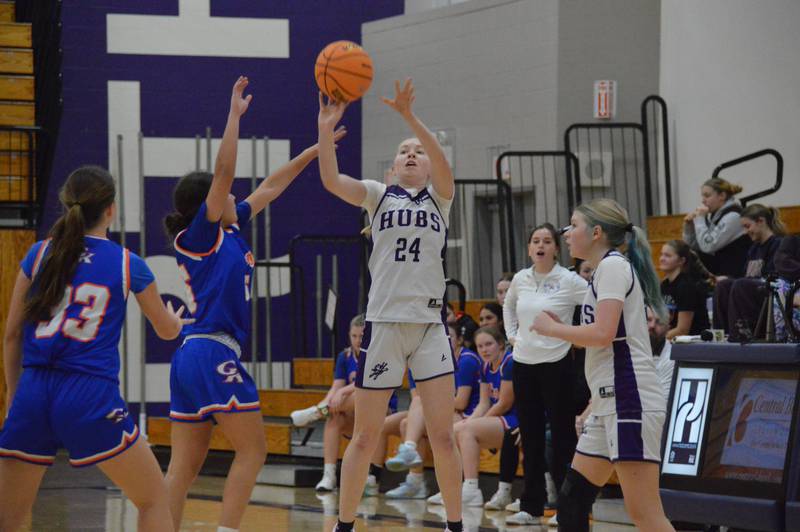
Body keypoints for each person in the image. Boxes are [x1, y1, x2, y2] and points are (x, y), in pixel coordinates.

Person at [162, 77, 345, 532]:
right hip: (211, 350)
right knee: (254, 449)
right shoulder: (200, 236)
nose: (233, 195)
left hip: (192, 354)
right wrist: (234, 115)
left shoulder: (230, 227)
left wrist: (314, 150)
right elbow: (223, 171)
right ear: (208, 202)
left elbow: (270, 186)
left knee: (184, 467)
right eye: (224, 193)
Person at [0, 166, 189, 532]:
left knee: (10, 518)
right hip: (89, 394)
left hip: (34, 390)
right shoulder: (125, 262)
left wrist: (12, 396)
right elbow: (166, 331)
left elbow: (11, 336)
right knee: (154, 500)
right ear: (110, 210)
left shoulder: (38, 255)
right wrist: (176, 321)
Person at [317, 78, 463, 532]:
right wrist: (325, 132)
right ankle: (343, 524)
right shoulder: (378, 197)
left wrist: (409, 117)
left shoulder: (440, 199)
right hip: (382, 325)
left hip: (428, 328)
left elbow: (444, 166)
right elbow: (330, 179)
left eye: (418, 150)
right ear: (393, 166)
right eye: (404, 151)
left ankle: (457, 524)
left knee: (441, 435)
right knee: (363, 435)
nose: (413, 154)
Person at [531, 198, 674, 532]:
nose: (566, 233)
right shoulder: (604, 270)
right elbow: (601, 336)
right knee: (572, 499)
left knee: (646, 515)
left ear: (596, 232)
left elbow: (603, 333)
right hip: (609, 400)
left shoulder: (613, 266)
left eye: (573, 225)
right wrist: (563, 329)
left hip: (630, 399)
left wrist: (553, 329)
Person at [501, 223, 588, 526]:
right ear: (529, 248)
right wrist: (513, 336)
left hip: (557, 363)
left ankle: (570, 508)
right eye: (535, 240)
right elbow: (509, 307)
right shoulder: (521, 280)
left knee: (564, 437)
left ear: (556, 248)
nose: (541, 245)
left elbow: (595, 302)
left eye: (547, 241)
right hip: (524, 364)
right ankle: (532, 505)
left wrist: (577, 334)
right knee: (531, 436)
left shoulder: (569, 280)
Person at [385, 321, 482, 499]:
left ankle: (409, 450)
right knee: (407, 423)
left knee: (420, 411)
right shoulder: (419, 362)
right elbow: (416, 398)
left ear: (459, 340)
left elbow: (460, 402)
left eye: (449, 337)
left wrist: (432, 402)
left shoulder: (466, 359)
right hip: (441, 411)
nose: (444, 341)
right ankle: (415, 481)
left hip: (466, 415)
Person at [431, 327, 516, 509]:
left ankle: (471, 489)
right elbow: (484, 403)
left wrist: (476, 423)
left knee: (467, 429)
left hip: (514, 419)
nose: (484, 349)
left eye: (489, 344)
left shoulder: (509, 363)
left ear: (500, 344)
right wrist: (470, 421)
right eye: (480, 346)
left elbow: (504, 404)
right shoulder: (485, 366)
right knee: (456, 429)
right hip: (496, 418)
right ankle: (455, 486)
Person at [288, 315, 365, 492]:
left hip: (378, 413)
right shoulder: (344, 356)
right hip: (353, 417)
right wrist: (327, 402)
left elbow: (364, 384)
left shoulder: (375, 355)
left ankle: (315, 413)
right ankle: (329, 476)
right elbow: (334, 388)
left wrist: (343, 391)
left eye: (361, 336)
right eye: (354, 336)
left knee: (360, 395)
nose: (358, 340)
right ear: (348, 335)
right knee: (333, 419)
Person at [713, 203, 784, 339]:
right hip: (751, 293)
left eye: (747, 226)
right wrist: (728, 278)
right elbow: (745, 276)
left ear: (761, 221)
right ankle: (721, 335)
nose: (745, 232)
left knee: (740, 285)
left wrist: (739, 282)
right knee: (723, 285)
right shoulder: (753, 249)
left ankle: (740, 335)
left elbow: (775, 278)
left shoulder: (778, 244)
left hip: (772, 296)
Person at [682, 178, 750, 277]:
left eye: (707, 196)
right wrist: (689, 228)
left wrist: (700, 219)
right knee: (686, 254)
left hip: (737, 274)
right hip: (723, 270)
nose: (703, 201)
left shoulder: (734, 216)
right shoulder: (715, 216)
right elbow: (695, 246)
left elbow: (708, 246)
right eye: (702, 196)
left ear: (722, 196)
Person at [658, 240, 714, 339]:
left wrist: (654, 341)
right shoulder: (664, 285)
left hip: (692, 344)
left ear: (681, 261)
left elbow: (682, 330)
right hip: (672, 340)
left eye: (667, 256)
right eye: (661, 254)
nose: (662, 258)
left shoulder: (686, 286)